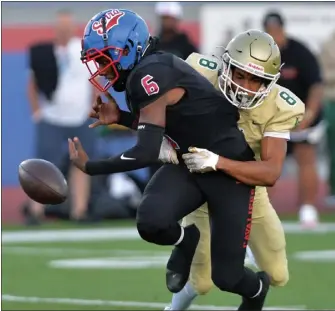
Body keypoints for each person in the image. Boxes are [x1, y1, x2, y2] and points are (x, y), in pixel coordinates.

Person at [69, 9, 270, 310]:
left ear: (127, 50)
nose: (100, 68)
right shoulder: (148, 71)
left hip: (226, 168)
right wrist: (122, 117)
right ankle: (186, 240)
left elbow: (146, 151)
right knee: (151, 221)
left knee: (227, 277)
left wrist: (92, 167)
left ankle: (257, 290)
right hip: (190, 162)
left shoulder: (149, 74)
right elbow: (167, 124)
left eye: (102, 58)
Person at [164, 30, 305, 311]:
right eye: (239, 74)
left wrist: (218, 162)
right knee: (201, 282)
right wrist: (159, 137)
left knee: (278, 275)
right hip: (200, 185)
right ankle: (172, 308)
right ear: (225, 65)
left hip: (247, 189)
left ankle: (243, 249)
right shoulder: (199, 74)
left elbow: (270, 172)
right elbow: (155, 99)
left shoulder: (280, 106)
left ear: (270, 83)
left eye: (256, 80)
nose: (244, 86)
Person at [26, 9, 97, 224]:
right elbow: (32, 84)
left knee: (82, 165)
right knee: (42, 166)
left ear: (73, 29)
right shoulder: (44, 53)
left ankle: (79, 211)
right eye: (60, 28)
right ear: (55, 30)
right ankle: (35, 211)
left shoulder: (84, 52)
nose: (64, 32)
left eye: (67, 28)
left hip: (79, 117)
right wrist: (37, 111)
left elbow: (94, 82)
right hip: (51, 117)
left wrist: (92, 109)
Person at [263, 11, 324, 227]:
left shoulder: (300, 52)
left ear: (283, 29)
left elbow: (316, 85)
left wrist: (309, 115)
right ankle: (265, 210)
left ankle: (307, 208)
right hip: (271, 119)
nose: (274, 36)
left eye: (276, 31)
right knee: (268, 161)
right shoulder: (261, 53)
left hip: (301, 118)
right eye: (269, 32)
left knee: (305, 157)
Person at [320, 30, 335, 207]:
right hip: (332, 100)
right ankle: (333, 189)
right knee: (333, 148)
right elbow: (322, 75)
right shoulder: (328, 45)